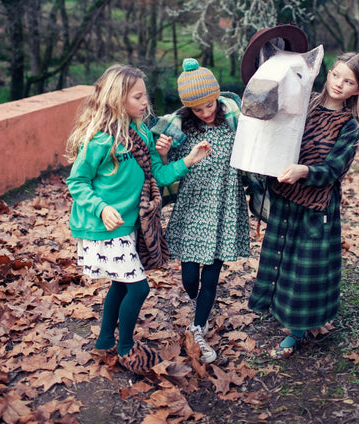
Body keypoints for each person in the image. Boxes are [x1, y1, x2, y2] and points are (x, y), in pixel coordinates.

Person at [66, 64, 210, 375]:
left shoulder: (142, 132)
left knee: (121, 285)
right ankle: (127, 347)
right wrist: (101, 207)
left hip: (130, 225)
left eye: (144, 96)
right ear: (117, 100)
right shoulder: (101, 140)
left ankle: (105, 341)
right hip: (104, 227)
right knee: (138, 287)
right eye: (138, 97)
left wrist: (188, 159)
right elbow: (77, 181)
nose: (145, 103)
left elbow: (157, 175)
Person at [248, 52, 359, 359]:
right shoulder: (304, 102)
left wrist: (305, 171)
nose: (340, 84)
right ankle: (278, 310)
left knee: (303, 270)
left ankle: (297, 331)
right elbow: (275, 132)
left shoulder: (349, 126)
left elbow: (334, 169)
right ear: (327, 74)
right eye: (336, 75)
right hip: (285, 196)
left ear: (357, 89)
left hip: (315, 205)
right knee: (281, 260)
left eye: (349, 81)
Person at [152, 58, 250, 364]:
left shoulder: (233, 122)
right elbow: (168, 174)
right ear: (188, 109)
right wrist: (165, 154)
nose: (207, 113)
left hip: (225, 207)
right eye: (199, 109)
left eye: (210, 105)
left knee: (211, 278)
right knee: (190, 277)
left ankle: (199, 322)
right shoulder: (182, 131)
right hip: (193, 208)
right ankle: (197, 300)